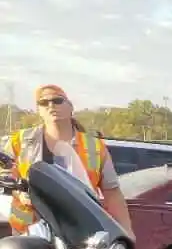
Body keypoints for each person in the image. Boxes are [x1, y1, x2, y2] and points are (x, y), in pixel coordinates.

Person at [1, 83, 134, 238]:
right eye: (43, 103)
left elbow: (112, 192)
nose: (51, 105)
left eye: (57, 100)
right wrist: (16, 188)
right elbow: (5, 171)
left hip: (80, 230)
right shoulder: (20, 140)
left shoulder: (94, 146)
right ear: (39, 111)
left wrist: (126, 232)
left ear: (70, 108)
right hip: (30, 230)